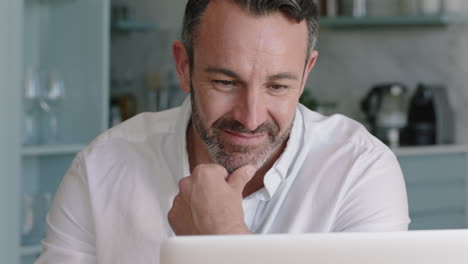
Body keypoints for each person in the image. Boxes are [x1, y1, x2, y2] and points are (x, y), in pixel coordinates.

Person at [36, 0, 410, 263]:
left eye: (278, 86)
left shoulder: (361, 171)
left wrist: (223, 236)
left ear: (306, 73)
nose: (250, 118)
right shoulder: (102, 166)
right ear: (184, 66)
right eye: (225, 82)